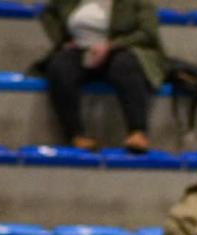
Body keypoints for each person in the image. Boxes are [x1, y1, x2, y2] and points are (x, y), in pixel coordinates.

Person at [34, 0, 167, 152]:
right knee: (59, 66)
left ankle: (137, 132)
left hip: (123, 49)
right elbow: (48, 13)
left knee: (125, 65)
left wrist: (110, 46)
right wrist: (63, 41)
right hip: (81, 50)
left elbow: (148, 33)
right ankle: (76, 135)